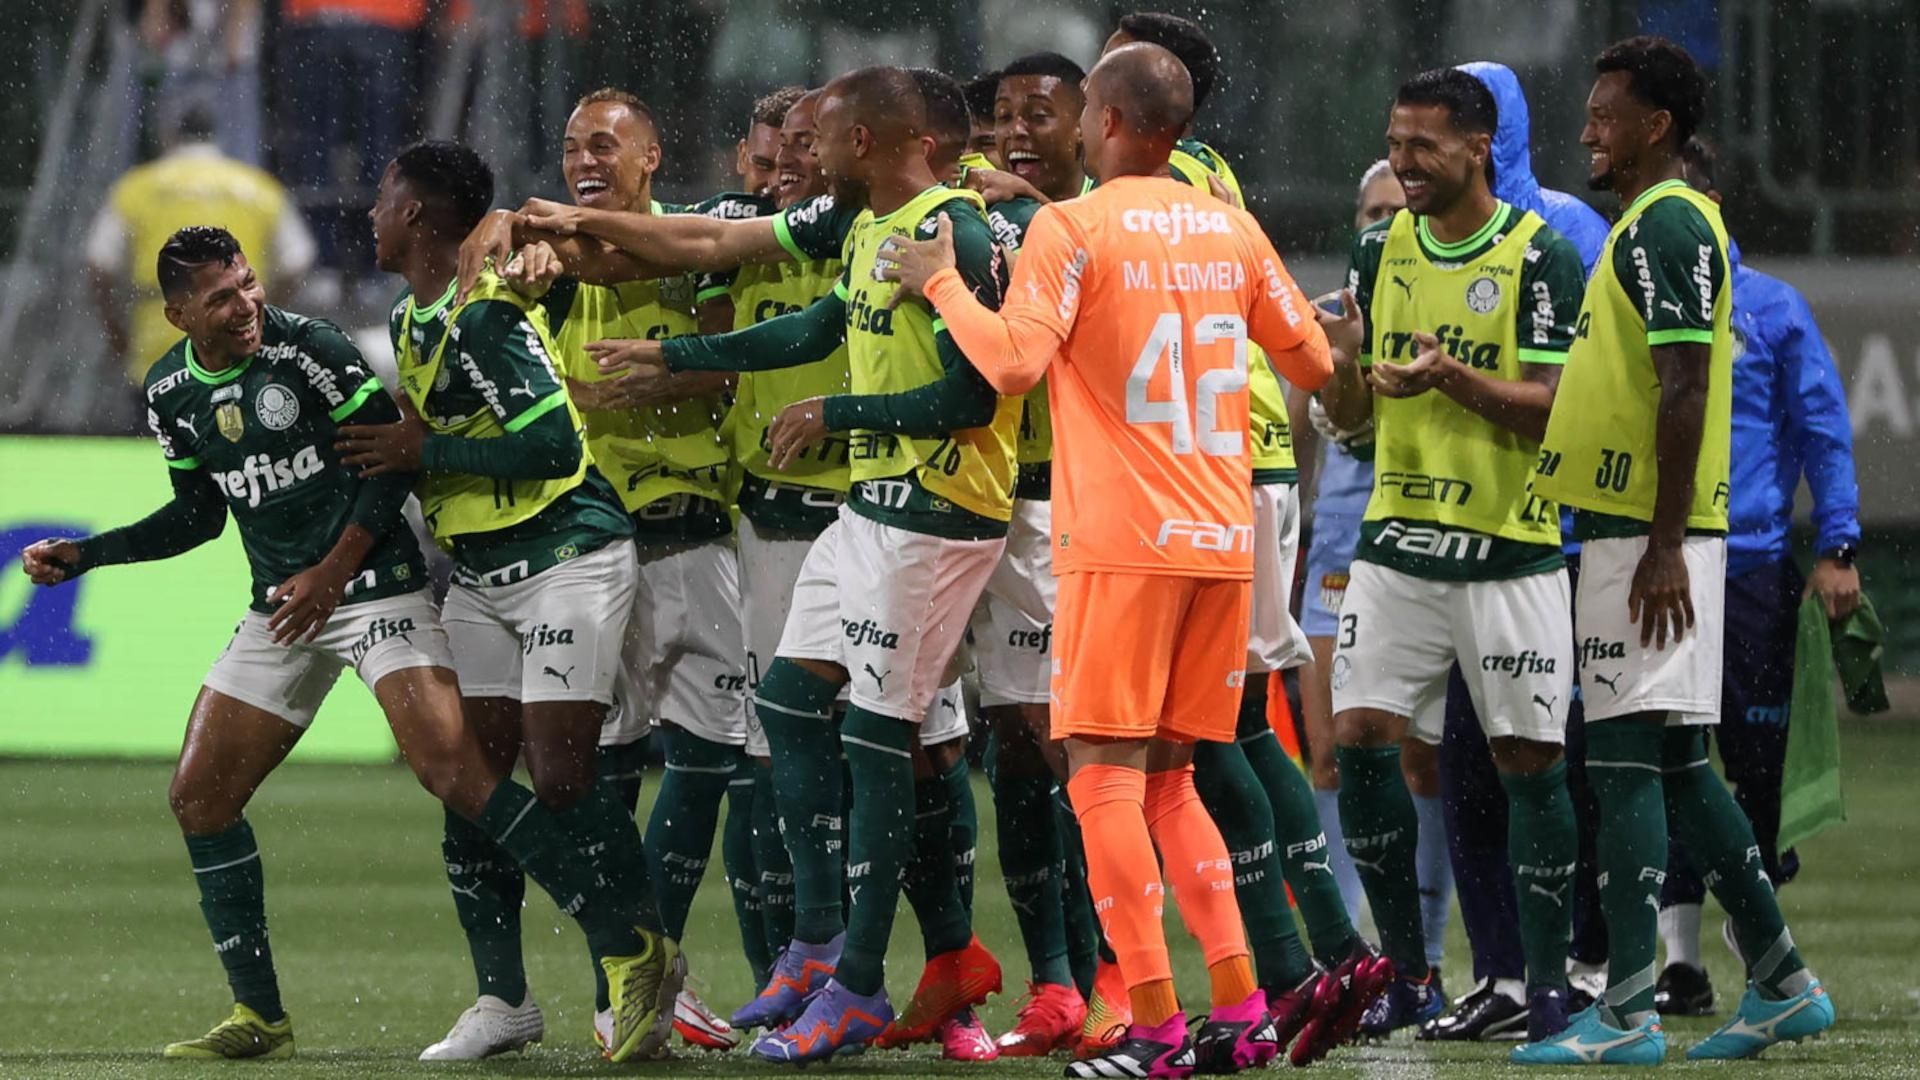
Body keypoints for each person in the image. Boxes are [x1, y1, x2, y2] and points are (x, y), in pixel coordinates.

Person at [18, 226, 665, 1063]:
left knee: (454, 774)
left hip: (374, 587)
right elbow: (198, 514)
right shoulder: (170, 390)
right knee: (199, 797)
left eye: (249, 283)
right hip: (283, 607)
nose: (247, 304)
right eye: (221, 297)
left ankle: (624, 941)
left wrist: (332, 570)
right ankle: (261, 1016)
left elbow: (389, 463)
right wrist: (91, 554)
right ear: (179, 314)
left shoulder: (311, 348)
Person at [881, 40, 1336, 1078]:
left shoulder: (1072, 226)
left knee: (1101, 785)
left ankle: (1159, 1028)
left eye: (1086, 109)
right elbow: (1312, 362)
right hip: (1223, 542)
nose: (1075, 125)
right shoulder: (1231, 224)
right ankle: (1239, 1009)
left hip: (1123, 546)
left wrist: (943, 284)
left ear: (1117, 122)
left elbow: (1009, 363)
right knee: (1173, 786)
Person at [591, 65, 1017, 1063]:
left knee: (880, 741)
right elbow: (824, 327)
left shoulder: (951, 230)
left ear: (869, 139)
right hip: (870, 508)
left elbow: (973, 398)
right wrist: (682, 360)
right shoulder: (870, 228)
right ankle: (820, 944)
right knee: (784, 705)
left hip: (938, 511)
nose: (801, 152)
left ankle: (863, 986)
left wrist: (838, 411)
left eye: (821, 135)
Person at [1515, 36, 1835, 1065]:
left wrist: (1659, 543)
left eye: (1606, 116)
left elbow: (1689, 383)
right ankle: (1782, 980)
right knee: (1683, 768)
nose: (1587, 133)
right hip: (1642, 533)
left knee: (1621, 769)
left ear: (1656, 127)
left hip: (1648, 540)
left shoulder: (1666, 225)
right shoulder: (1654, 226)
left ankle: (1630, 1012)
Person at [341, 140, 684, 1065]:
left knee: (564, 775)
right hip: (480, 578)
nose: (370, 213)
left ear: (415, 216)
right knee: (470, 780)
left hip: (569, 554)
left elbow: (550, 453)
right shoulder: (414, 319)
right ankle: (503, 1001)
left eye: (383, 195)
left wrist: (427, 454)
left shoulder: (486, 319)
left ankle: (641, 950)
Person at [1098, 14, 1386, 1068]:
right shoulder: (1196, 175)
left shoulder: (1167, 184)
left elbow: (1101, 251)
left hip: (1225, 466)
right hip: (1234, 464)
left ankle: (1305, 961)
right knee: (1224, 733)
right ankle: (1313, 959)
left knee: (1215, 738)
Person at [439, 88, 749, 1057]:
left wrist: (677, 366)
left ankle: (682, 969)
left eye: (606, 144)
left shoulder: (699, 244)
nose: (585, 160)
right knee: (591, 779)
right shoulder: (555, 263)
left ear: (652, 153)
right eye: (572, 145)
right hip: (596, 550)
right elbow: (481, 277)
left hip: (701, 540)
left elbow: (735, 348)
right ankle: (624, 987)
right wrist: (503, 237)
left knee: (713, 766)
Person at [1315, 67, 1588, 1042]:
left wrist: (1448, 378)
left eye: (1424, 144)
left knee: (1528, 763)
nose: (1404, 162)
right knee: (1358, 740)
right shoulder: (1378, 248)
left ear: (1479, 147)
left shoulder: (1539, 255)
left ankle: (1547, 983)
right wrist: (1344, 371)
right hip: (1397, 543)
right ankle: (1408, 973)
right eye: (1395, 142)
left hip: (1510, 550)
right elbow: (1351, 426)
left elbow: (1556, 403)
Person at [1421, 59, 1620, 1043]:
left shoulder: (1570, 234)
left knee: (1557, 762)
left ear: (1491, 130)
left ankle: (1579, 962)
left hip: (1563, 544)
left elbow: (1581, 394)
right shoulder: (1433, 234)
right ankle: (1499, 970)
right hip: (1470, 541)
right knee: (1469, 763)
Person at [1650, 135, 1862, 1018]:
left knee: (1751, 760)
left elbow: (1823, 427)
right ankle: (1680, 964)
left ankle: (1757, 946)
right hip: (1652, 559)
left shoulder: (1771, 310)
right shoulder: (1633, 305)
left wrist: (1839, 545)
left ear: (1709, 209)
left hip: (1749, 568)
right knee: (1661, 753)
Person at [968, 50, 1096, 1061]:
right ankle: (1054, 978)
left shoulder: (1115, 220)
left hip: (1085, 514)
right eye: (1002, 115)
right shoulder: (978, 225)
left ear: (1089, 124)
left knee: (1081, 748)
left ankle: (1115, 976)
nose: (1016, 133)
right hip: (990, 507)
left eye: (1039, 115)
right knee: (1014, 746)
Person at [1288, 159, 1403, 939]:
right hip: (1334, 542)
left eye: (1398, 211)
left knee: (1415, 755)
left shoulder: (1453, 306)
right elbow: (1294, 446)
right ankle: (1345, 941)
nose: (1385, 225)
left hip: (1420, 540)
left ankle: (1419, 944)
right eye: (1372, 213)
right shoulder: (1324, 317)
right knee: (1326, 748)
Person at [88, 107, 315, 389]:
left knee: (157, 427)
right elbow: (298, 261)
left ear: (171, 137)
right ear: (215, 137)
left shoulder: (137, 187)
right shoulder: (257, 187)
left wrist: (115, 330)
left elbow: (100, 264)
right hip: (233, 341)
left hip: (158, 338)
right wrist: (261, 315)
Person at [738, 86, 806, 197]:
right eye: (763, 166)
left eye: (791, 173)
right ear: (743, 157)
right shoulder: (709, 211)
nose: (775, 184)